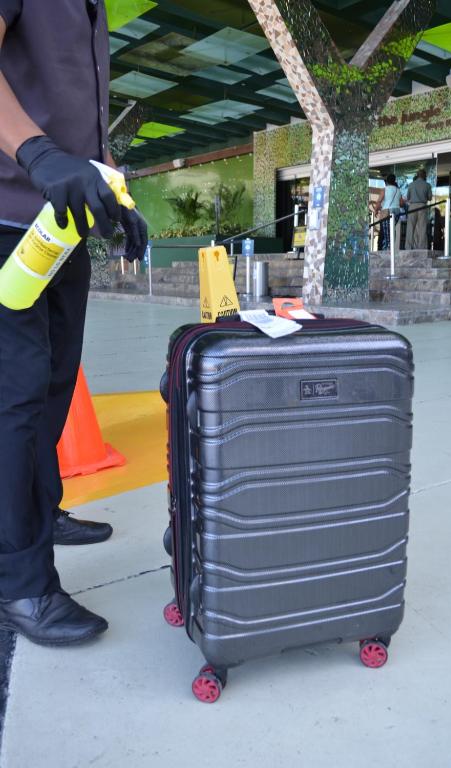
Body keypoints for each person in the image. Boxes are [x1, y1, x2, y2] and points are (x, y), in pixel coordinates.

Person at [0, 1, 148, 646]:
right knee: (16, 401)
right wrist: (37, 152)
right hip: (6, 219)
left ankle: (35, 514)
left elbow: (83, 125)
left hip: (62, 230)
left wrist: (113, 194)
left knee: (54, 388)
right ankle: (18, 581)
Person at [373, 174, 404, 252]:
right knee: (392, 229)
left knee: (386, 232)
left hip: (387, 211)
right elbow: (401, 203)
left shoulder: (385, 189)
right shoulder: (398, 190)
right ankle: (391, 247)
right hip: (397, 211)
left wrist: (376, 210)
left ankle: (387, 249)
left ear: (387, 181)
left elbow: (379, 201)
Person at [405, 169, 432, 249]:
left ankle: (408, 247)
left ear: (417, 175)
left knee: (410, 227)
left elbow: (408, 197)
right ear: (424, 175)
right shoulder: (427, 185)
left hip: (412, 206)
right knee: (422, 227)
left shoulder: (411, 185)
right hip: (422, 206)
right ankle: (422, 247)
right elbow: (430, 198)